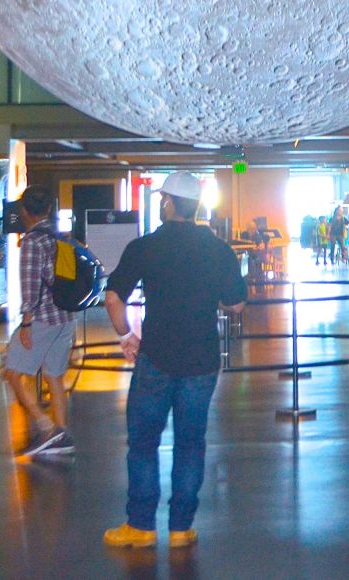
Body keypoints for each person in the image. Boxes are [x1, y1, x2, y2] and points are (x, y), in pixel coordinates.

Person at [102, 171, 247, 549]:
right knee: (190, 443)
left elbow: (114, 298)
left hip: (156, 358)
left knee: (143, 442)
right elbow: (236, 303)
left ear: (167, 203)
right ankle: (181, 528)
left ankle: (141, 526)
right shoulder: (218, 249)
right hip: (201, 359)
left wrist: (125, 337)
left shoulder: (145, 247)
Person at [3, 185, 77, 457]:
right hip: (65, 315)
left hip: (43, 318)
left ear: (24, 211)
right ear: (48, 209)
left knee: (12, 371)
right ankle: (62, 432)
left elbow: (30, 284)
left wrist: (25, 322)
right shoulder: (60, 237)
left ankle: (46, 428)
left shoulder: (32, 241)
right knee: (55, 376)